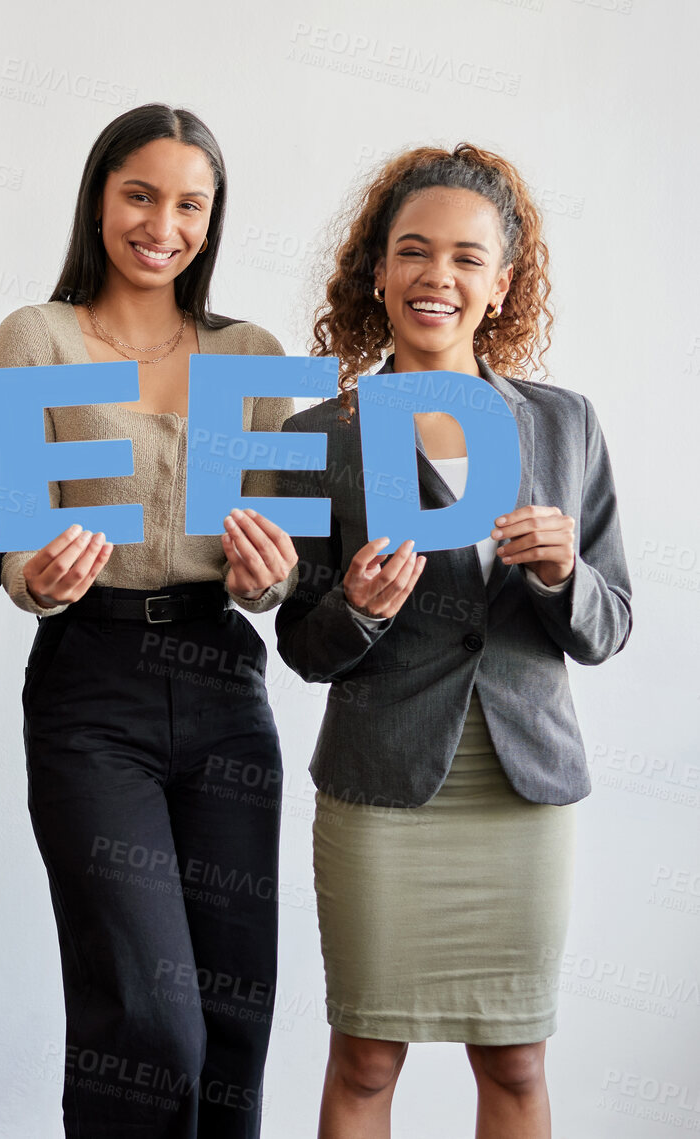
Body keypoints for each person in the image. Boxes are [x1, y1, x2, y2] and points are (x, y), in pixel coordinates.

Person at [275, 144, 632, 1139]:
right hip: (383, 781)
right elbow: (300, 643)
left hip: (521, 784)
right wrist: (359, 605)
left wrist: (566, 575)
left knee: (517, 1063)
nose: (439, 277)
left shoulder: (565, 423)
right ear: (377, 271)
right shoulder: (323, 432)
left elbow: (613, 622)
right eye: (414, 252)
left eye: (468, 257)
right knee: (366, 1057)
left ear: (503, 282)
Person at [0, 104, 298, 1139]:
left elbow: (270, 572)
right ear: (98, 198)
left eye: (189, 203)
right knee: (148, 1015)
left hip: (223, 680)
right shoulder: (37, 339)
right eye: (139, 193)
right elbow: (18, 557)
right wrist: (38, 572)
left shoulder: (251, 351)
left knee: (232, 1012)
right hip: (94, 682)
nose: (161, 222)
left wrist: (271, 574)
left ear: (210, 221)